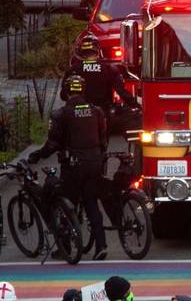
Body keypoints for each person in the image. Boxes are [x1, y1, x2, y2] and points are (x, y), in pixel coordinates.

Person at [28, 75, 109, 260]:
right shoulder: (97, 112)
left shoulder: (61, 114)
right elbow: (103, 140)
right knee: (91, 204)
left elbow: (52, 144)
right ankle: (101, 245)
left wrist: (36, 156)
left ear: (65, 92)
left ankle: (64, 246)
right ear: (83, 90)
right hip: (95, 163)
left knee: (65, 203)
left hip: (73, 166)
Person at [63, 35, 140, 114]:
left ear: (80, 51)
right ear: (97, 50)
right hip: (102, 113)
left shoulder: (73, 70)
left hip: (77, 115)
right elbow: (121, 92)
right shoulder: (108, 69)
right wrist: (137, 105)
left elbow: (63, 95)